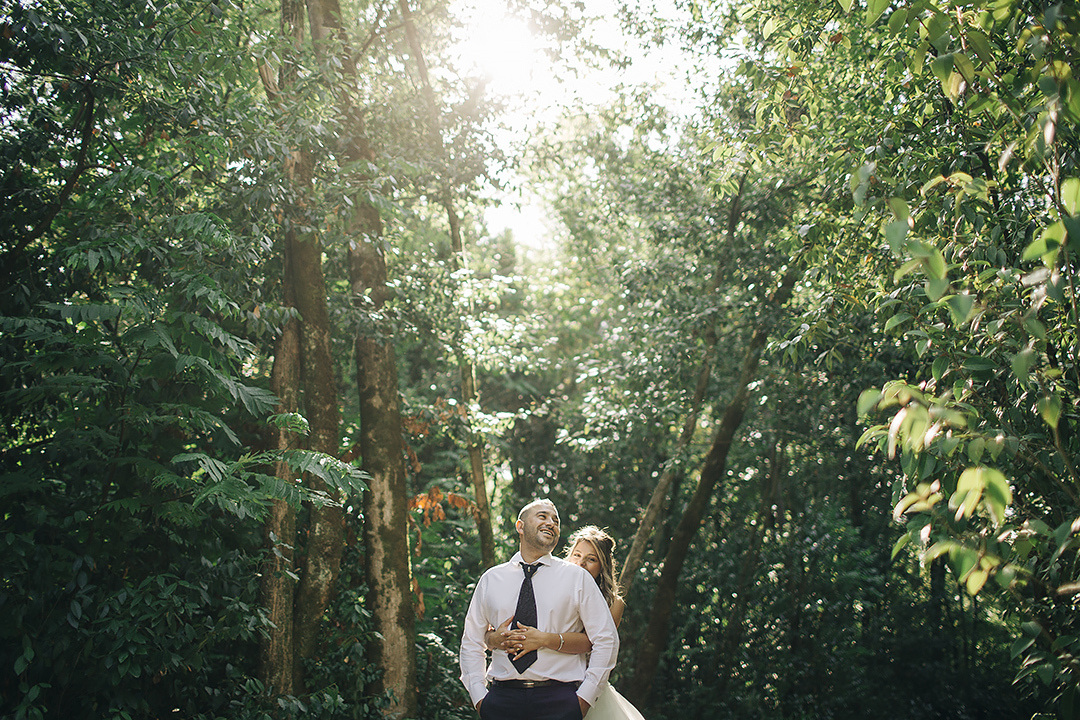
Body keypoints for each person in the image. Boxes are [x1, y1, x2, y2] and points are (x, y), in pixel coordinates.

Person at [460, 500, 620, 719]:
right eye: (542, 516)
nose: (551, 523)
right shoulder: (491, 579)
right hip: (501, 700)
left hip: (561, 699)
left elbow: (606, 639)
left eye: (556, 520)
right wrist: (480, 698)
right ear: (520, 526)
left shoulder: (577, 579)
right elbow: (471, 641)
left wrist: (583, 700)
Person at [487, 526, 645, 720]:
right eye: (577, 555)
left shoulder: (613, 603)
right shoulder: (551, 584)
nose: (581, 563)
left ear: (602, 566)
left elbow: (595, 644)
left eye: (591, 559)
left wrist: (544, 639)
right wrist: (495, 637)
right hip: (534, 690)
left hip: (580, 685)